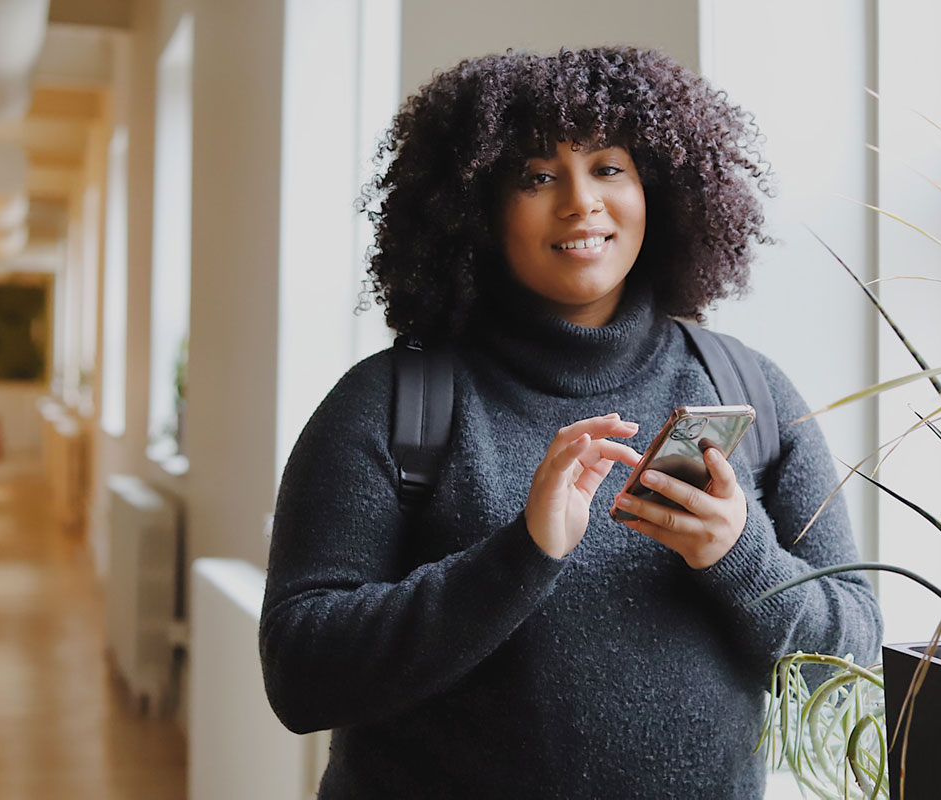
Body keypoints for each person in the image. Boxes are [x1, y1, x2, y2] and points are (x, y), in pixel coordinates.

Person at [260, 46, 883, 798]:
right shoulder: (393, 403)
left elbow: (853, 646)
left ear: (659, 187)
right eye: (536, 176)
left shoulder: (748, 386)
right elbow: (300, 675)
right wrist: (519, 556)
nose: (581, 201)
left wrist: (738, 556)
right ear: (475, 208)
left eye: (608, 167)